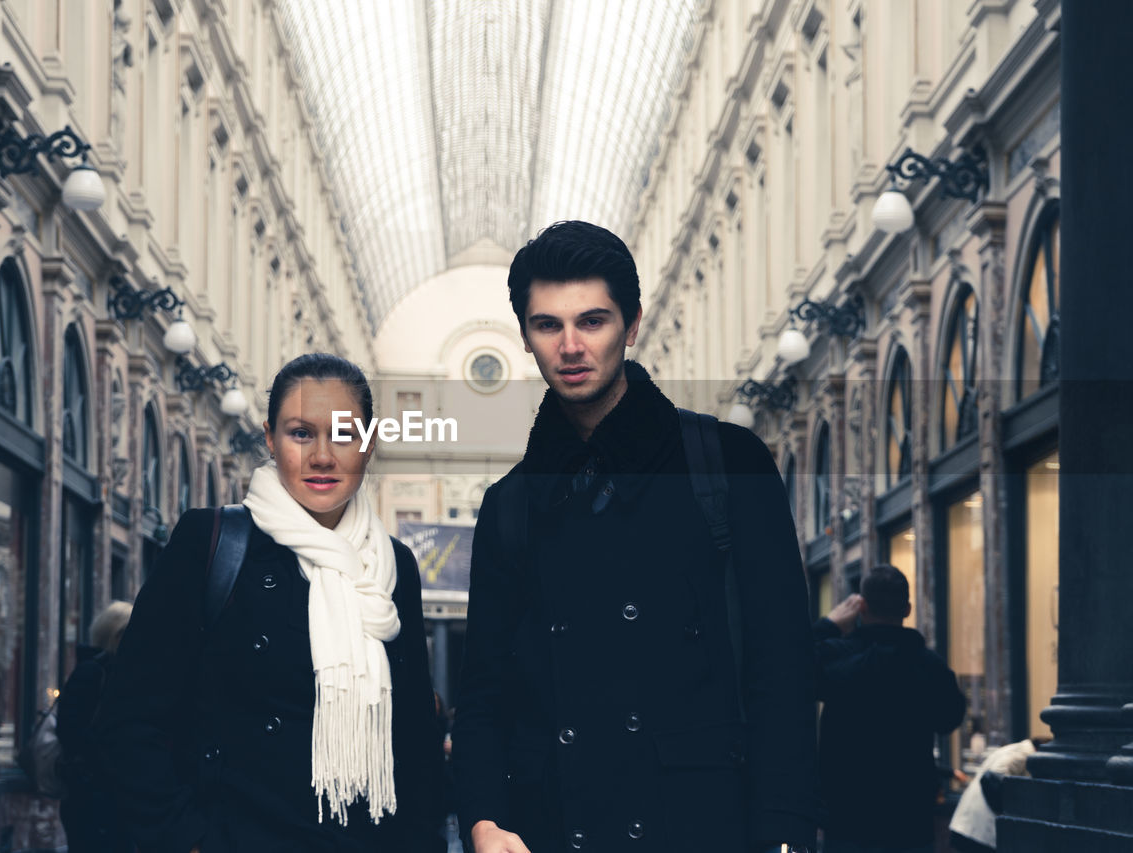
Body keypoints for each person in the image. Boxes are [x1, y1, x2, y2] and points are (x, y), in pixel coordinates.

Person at [452, 220, 819, 853]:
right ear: (526, 335)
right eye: (548, 325)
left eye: (592, 321)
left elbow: (782, 668)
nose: (571, 346)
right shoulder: (509, 505)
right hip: (551, 830)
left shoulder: (727, 463)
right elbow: (484, 693)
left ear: (633, 322)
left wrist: (782, 832)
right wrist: (484, 820)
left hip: (703, 826)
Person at [95, 354, 445, 853]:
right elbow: (129, 720)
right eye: (301, 433)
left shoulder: (393, 565)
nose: (322, 456)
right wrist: (190, 841)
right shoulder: (211, 542)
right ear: (269, 439)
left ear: (368, 446)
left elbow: (414, 741)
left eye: (344, 435)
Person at [815, 566, 967, 853]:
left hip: (847, 822)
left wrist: (830, 624)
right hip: (909, 825)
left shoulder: (836, 657)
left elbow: (789, 668)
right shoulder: (929, 667)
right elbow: (951, 718)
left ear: (862, 607)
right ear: (908, 609)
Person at [57, 600, 136, 852]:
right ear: (117, 636)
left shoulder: (122, 673)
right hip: (91, 796)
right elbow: (70, 731)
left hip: (113, 796)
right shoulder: (92, 672)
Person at [948, 738, 1042, 852]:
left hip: (969, 825)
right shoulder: (1025, 753)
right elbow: (994, 774)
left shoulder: (1014, 749)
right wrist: (1006, 807)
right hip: (978, 829)